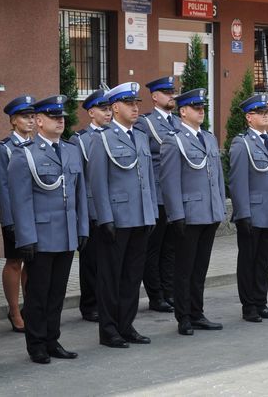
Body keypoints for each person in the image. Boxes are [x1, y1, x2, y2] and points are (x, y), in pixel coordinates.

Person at [8, 95, 88, 364]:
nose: (60, 121)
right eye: (54, 117)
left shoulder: (70, 150)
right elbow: (20, 201)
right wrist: (26, 238)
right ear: (39, 121)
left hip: (65, 235)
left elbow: (79, 194)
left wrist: (82, 228)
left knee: (57, 293)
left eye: (62, 117)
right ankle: (36, 344)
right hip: (41, 237)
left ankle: (53, 340)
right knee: (38, 295)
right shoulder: (25, 154)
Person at [89, 82, 158, 348]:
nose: (135, 108)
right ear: (115, 107)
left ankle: (126, 325)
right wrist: (104, 218)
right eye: (129, 104)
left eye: (137, 104)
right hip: (116, 218)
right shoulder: (102, 138)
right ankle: (108, 330)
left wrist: (150, 213)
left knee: (132, 276)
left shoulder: (140, 137)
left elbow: (149, 180)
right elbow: (97, 182)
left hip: (140, 217)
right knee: (111, 277)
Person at [160, 88, 225, 335]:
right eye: (196, 108)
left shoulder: (209, 138)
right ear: (183, 111)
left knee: (200, 269)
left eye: (203, 107)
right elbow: (169, 181)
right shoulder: (173, 139)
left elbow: (217, 177)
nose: (201, 111)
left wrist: (219, 207)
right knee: (184, 269)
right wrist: (176, 214)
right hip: (188, 214)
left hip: (209, 212)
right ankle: (184, 317)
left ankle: (198, 313)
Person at [229, 94, 268, 323]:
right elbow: (237, 181)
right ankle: (248, 306)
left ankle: (261, 302)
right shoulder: (241, 143)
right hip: (252, 213)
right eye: (260, 113)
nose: (265, 115)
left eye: (267, 112)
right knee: (248, 261)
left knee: (263, 261)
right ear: (249, 117)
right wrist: (242, 213)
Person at [136, 76, 180, 313]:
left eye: (172, 91)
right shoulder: (145, 123)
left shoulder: (178, 122)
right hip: (158, 193)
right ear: (155, 97)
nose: (171, 95)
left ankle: (169, 291)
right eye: (166, 92)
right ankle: (156, 295)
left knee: (171, 248)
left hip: (176, 195)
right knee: (154, 248)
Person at [69, 89, 112, 322]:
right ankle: (90, 305)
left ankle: (106, 300)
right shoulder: (80, 140)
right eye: (103, 110)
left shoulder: (116, 136)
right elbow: (79, 179)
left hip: (113, 207)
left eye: (109, 109)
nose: (107, 114)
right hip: (91, 208)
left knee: (109, 260)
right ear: (90, 112)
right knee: (91, 262)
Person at [0, 95, 35, 333]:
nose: (31, 121)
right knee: (14, 262)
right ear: (13, 120)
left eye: (33, 116)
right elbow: (2, 186)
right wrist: (9, 220)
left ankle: (30, 308)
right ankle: (14, 311)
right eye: (25, 117)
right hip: (15, 214)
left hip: (35, 214)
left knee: (33, 262)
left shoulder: (36, 145)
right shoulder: (5, 149)